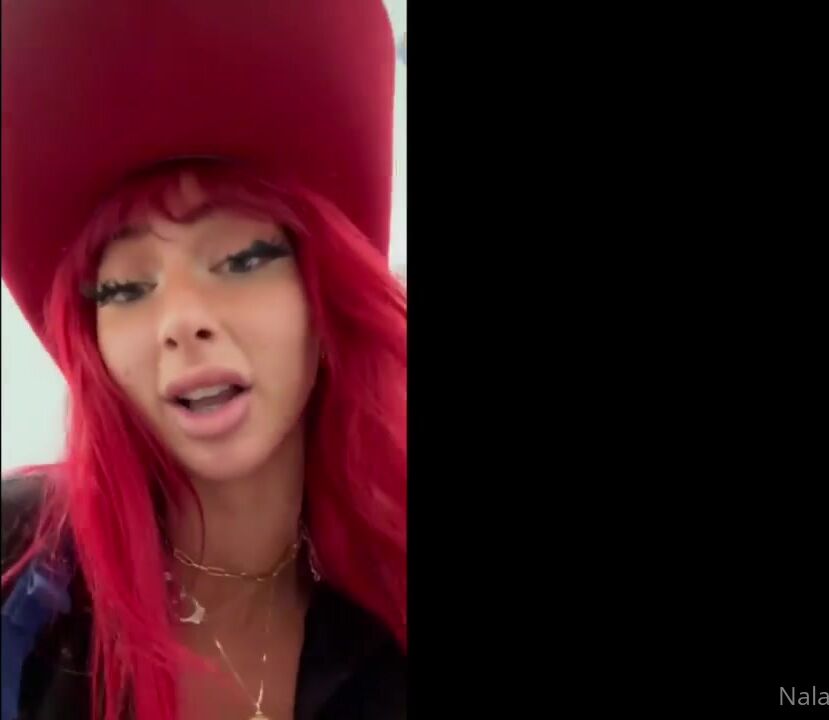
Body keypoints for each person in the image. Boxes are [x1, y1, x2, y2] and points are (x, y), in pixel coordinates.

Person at [0, 2, 406, 720]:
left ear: (323, 296)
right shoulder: (18, 568)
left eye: (242, 259)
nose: (181, 321)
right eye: (126, 289)